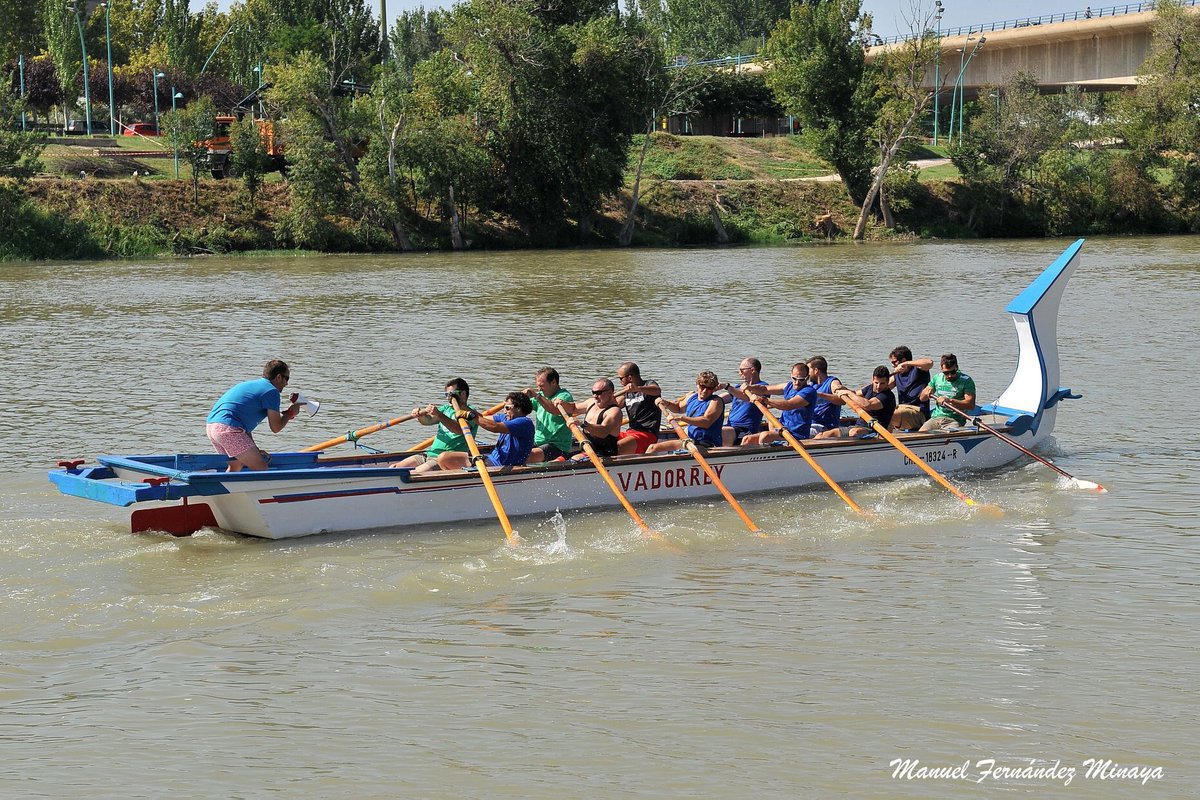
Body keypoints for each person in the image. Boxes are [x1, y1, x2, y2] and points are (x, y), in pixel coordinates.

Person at [206, 359, 303, 471]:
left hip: (212, 427)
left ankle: (224, 488)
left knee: (236, 465)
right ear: (279, 377)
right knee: (260, 467)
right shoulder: (271, 391)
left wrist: (254, 449)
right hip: (227, 429)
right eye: (287, 378)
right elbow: (275, 427)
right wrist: (290, 413)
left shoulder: (249, 384)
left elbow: (243, 426)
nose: (287, 383)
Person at [390, 378, 479, 473]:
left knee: (414, 473)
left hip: (446, 459)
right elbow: (428, 421)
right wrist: (420, 415)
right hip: (430, 454)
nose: (449, 397)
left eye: (452, 394)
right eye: (446, 395)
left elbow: (459, 429)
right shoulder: (446, 409)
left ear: (463, 394)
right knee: (394, 468)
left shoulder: (471, 413)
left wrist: (439, 415)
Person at [437, 392, 535, 471]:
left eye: (507, 408)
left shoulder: (524, 423)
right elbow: (482, 418)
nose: (504, 411)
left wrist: (470, 416)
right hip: (490, 460)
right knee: (444, 458)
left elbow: (494, 427)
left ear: (518, 409)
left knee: (444, 458)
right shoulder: (506, 417)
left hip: (503, 467)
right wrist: (462, 405)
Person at [648, 371, 726, 453]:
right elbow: (678, 408)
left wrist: (681, 418)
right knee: (651, 448)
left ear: (714, 389)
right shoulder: (692, 397)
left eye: (709, 388)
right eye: (702, 386)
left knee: (653, 448)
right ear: (697, 384)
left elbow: (706, 422)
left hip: (707, 444)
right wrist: (666, 403)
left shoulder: (715, 401)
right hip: (690, 441)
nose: (704, 391)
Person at [814, 366, 897, 438]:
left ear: (887, 382)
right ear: (872, 379)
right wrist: (843, 390)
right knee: (823, 435)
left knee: (854, 432)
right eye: (876, 383)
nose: (878, 386)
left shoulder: (887, 396)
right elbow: (855, 394)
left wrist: (848, 393)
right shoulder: (870, 388)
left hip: (876, 431)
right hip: (858, 426)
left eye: (882, 383)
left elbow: (867, 404)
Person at [561, 378, 624, 458]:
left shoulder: (614, 411)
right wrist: (561, 403)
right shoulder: (590, 402)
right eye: (593, 392)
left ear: (610, 393)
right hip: (587, 447)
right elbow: (572, 408)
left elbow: (602, 432)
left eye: (598, 393)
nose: (595, 396)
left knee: (573, 459)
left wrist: (582, 424)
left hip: (603, 453)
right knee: (561, 451)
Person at [525, 367, 575, 463]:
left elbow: (554, 410)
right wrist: (518, 399)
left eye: (542, 386)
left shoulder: (564, 396)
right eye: (538, 386)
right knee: (516, 452)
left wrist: (536, 396)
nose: (539, 389)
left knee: (527, 457)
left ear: (553, 382)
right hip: (538, 443)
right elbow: (523, 408)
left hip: (557, 446)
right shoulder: (541, 396)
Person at [919, 354, 977, 432]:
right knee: (921, 433)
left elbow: (970, 405)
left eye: (953, 372)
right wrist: (925, 393)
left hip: (954, 420)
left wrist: (950, 400)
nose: (949, 375)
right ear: (941, 369)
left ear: (956, 367)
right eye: (946, 373)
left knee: (946, 435)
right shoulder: (937, 378)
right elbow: (922, 399)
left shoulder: (966, 381)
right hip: (936, 418)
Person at [616, 361, 663, 455]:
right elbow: (614, 405)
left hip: (647, 434)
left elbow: (657, 391)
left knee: (616, 447)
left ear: (629, 378)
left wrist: (637, 388)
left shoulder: (649, 384)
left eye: (621, 378)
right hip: (630, 432)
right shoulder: (626, 393)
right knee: (603, 442)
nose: (620, 382)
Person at [720, 357, 768, 446]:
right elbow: (720, 399)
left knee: (719, 432)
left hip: (746, 430)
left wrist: (728, 387)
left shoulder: (762, 387)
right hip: (730, 427)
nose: (739, 373)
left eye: (742, 370)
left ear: (752, 370)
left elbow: (746, 397)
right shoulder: (738, 387)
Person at [887, 346, 934, 431]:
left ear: (903, 361)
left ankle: (884, 436)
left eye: (894, 362)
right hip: (902, 410)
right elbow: (881, 388)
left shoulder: (919, 369)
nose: (893, 365)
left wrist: (907, 364)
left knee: (889, 414)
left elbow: (929, 362)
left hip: (919, 413)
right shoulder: (896, 375)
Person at [807, 356, 845, 435]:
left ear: (816, 371)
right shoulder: (811, 385)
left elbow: (842, 400)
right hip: (809, 424)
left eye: (808, 370)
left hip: (824, 427)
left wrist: (820, 394)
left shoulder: (832, 382)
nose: (807, 374)